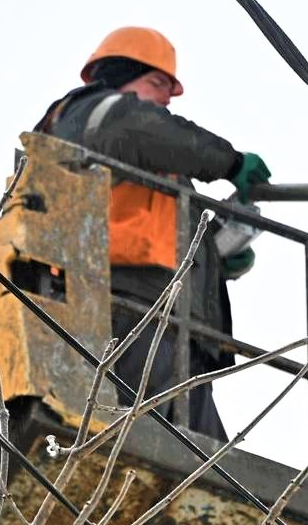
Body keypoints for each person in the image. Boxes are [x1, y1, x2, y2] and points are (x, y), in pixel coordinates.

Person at [33, 26, 271, 439]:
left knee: (206, 459)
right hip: (119, 311)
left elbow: (163, 237)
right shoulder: (93, 113)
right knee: (184, 453)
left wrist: (217, 256)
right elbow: (142, 128)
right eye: (157, 83)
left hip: (164, 323)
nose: (166, 99)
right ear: (120, 74)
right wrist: (229, 162)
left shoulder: (147, 166)